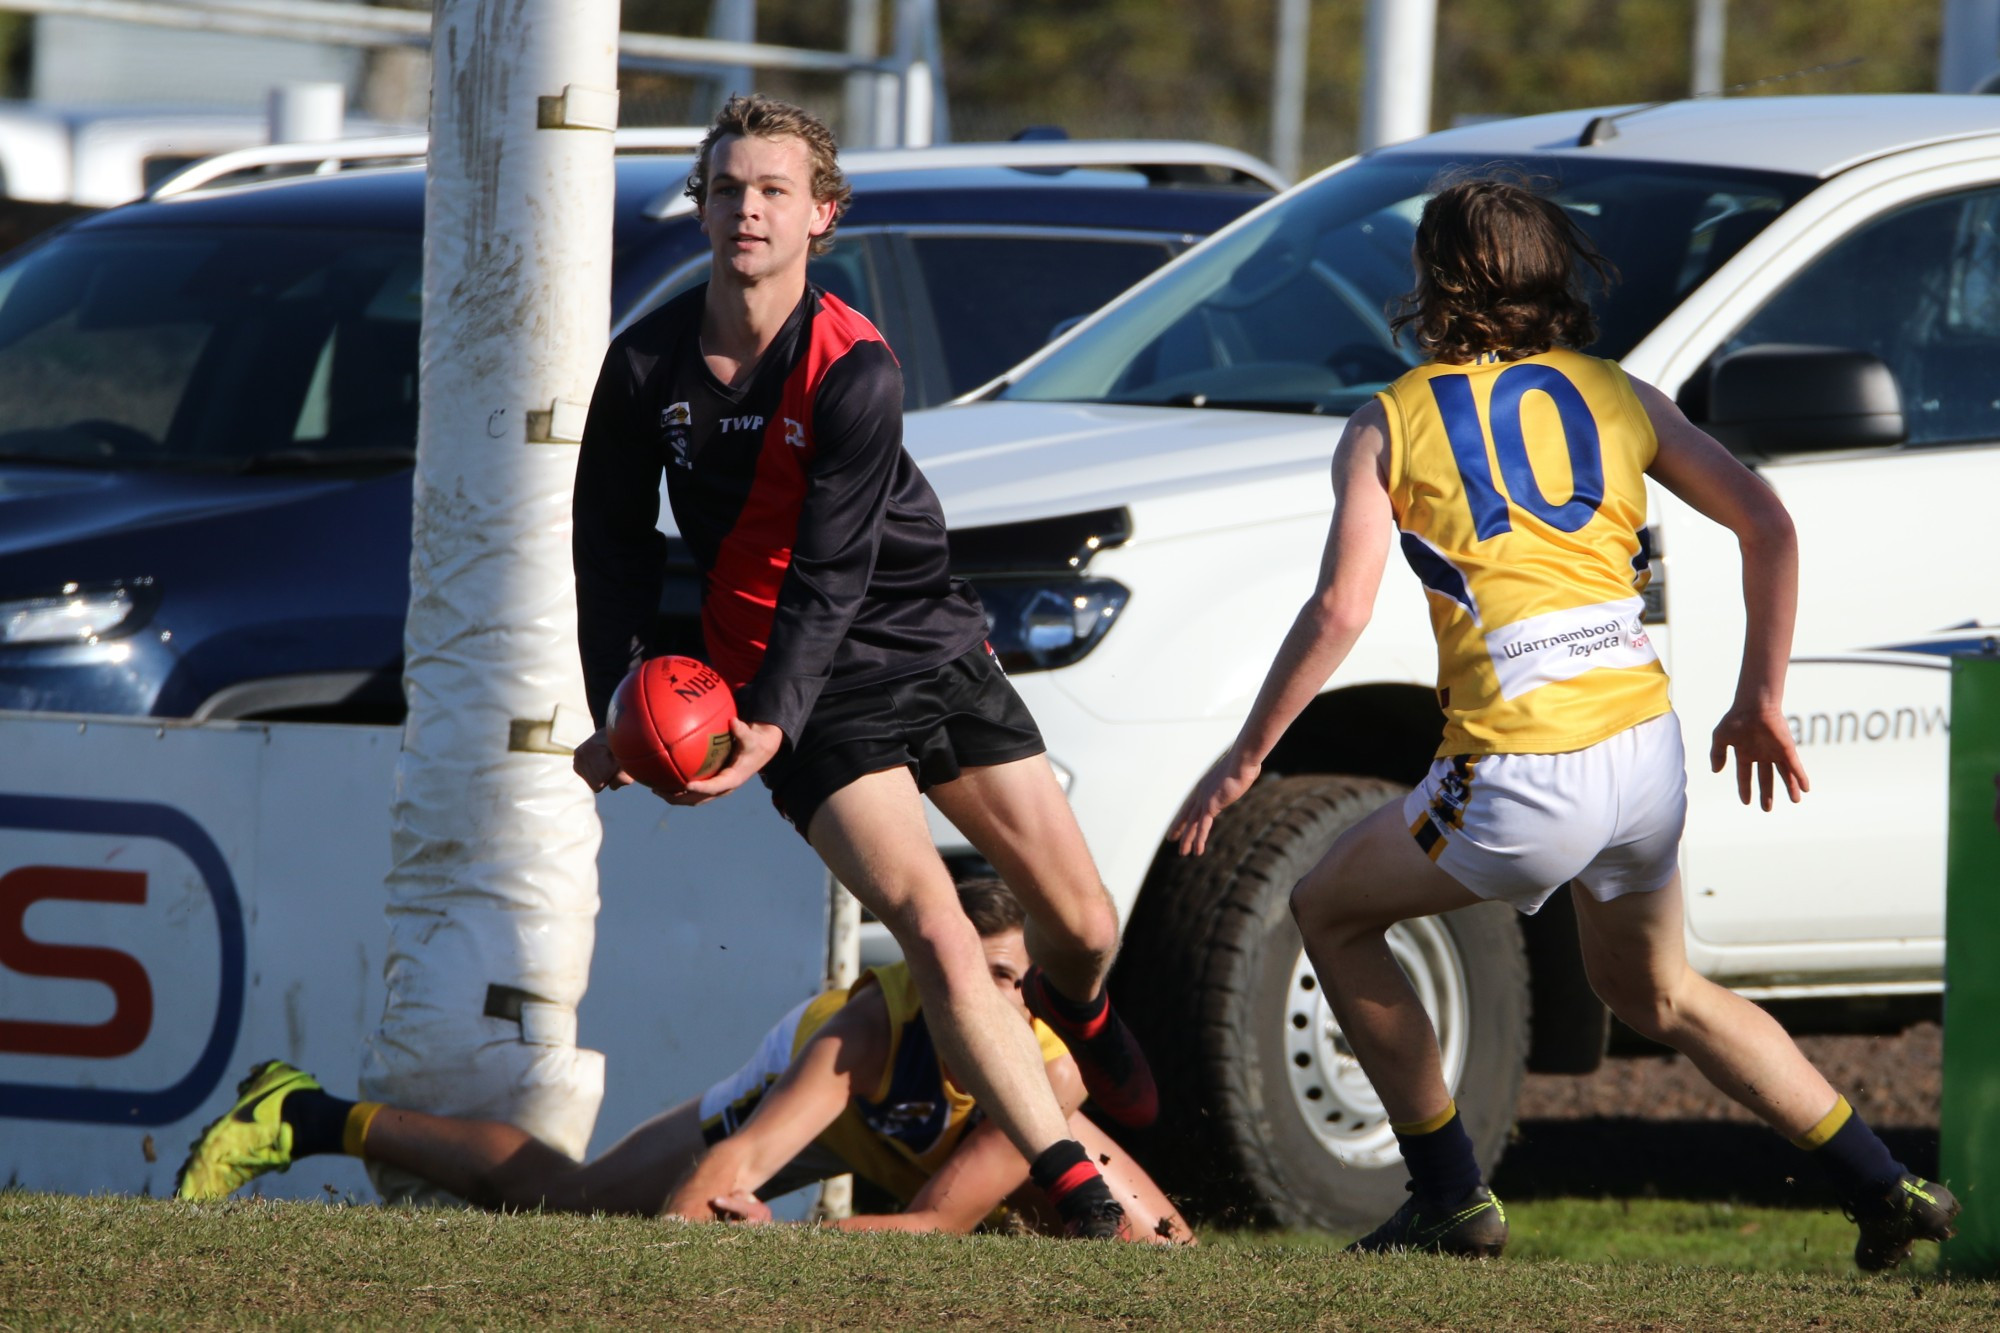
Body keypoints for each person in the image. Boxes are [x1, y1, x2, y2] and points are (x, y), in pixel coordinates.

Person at [1169, 176, 1959, 1269]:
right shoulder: (1616, 392)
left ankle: (1448, 1196)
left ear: (1430, 285)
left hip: (1520, 768)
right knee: (1660, 991)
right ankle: (1886, 1184)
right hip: (1642, 752)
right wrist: (1756, 696)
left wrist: (1243, 756)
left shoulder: (1390, 419)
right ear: (1554, 275)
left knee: (1326, 909)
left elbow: (1340, 608)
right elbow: (1765, 523)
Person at [567, 94, 1153, 1239]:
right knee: (934, 926)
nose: (747, 209)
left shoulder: (853, 366)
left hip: (920, 642)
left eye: (773, 190)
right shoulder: (643, 365)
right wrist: (624, 707)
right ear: (702, 208)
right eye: (727, 188)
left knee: (1080, 924)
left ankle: (1076, 1015)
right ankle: (1070, 1181)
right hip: (802, 691)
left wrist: (767, 722)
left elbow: (833, 572)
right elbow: (610, 548)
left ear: (820, 215)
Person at [175, 881, 1192, 1244]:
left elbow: (933, 1224)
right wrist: (682, 1271)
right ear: (929, 974)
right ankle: (306, 1113)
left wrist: (781, 1248)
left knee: (1157, 1255)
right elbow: (727, 1183)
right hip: (833, 1117)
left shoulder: (1045, 1074)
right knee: (570, 1209)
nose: (999, 1002)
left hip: (938, 1160)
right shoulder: (861, 1034)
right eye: (980, 977)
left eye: (1016, 983)